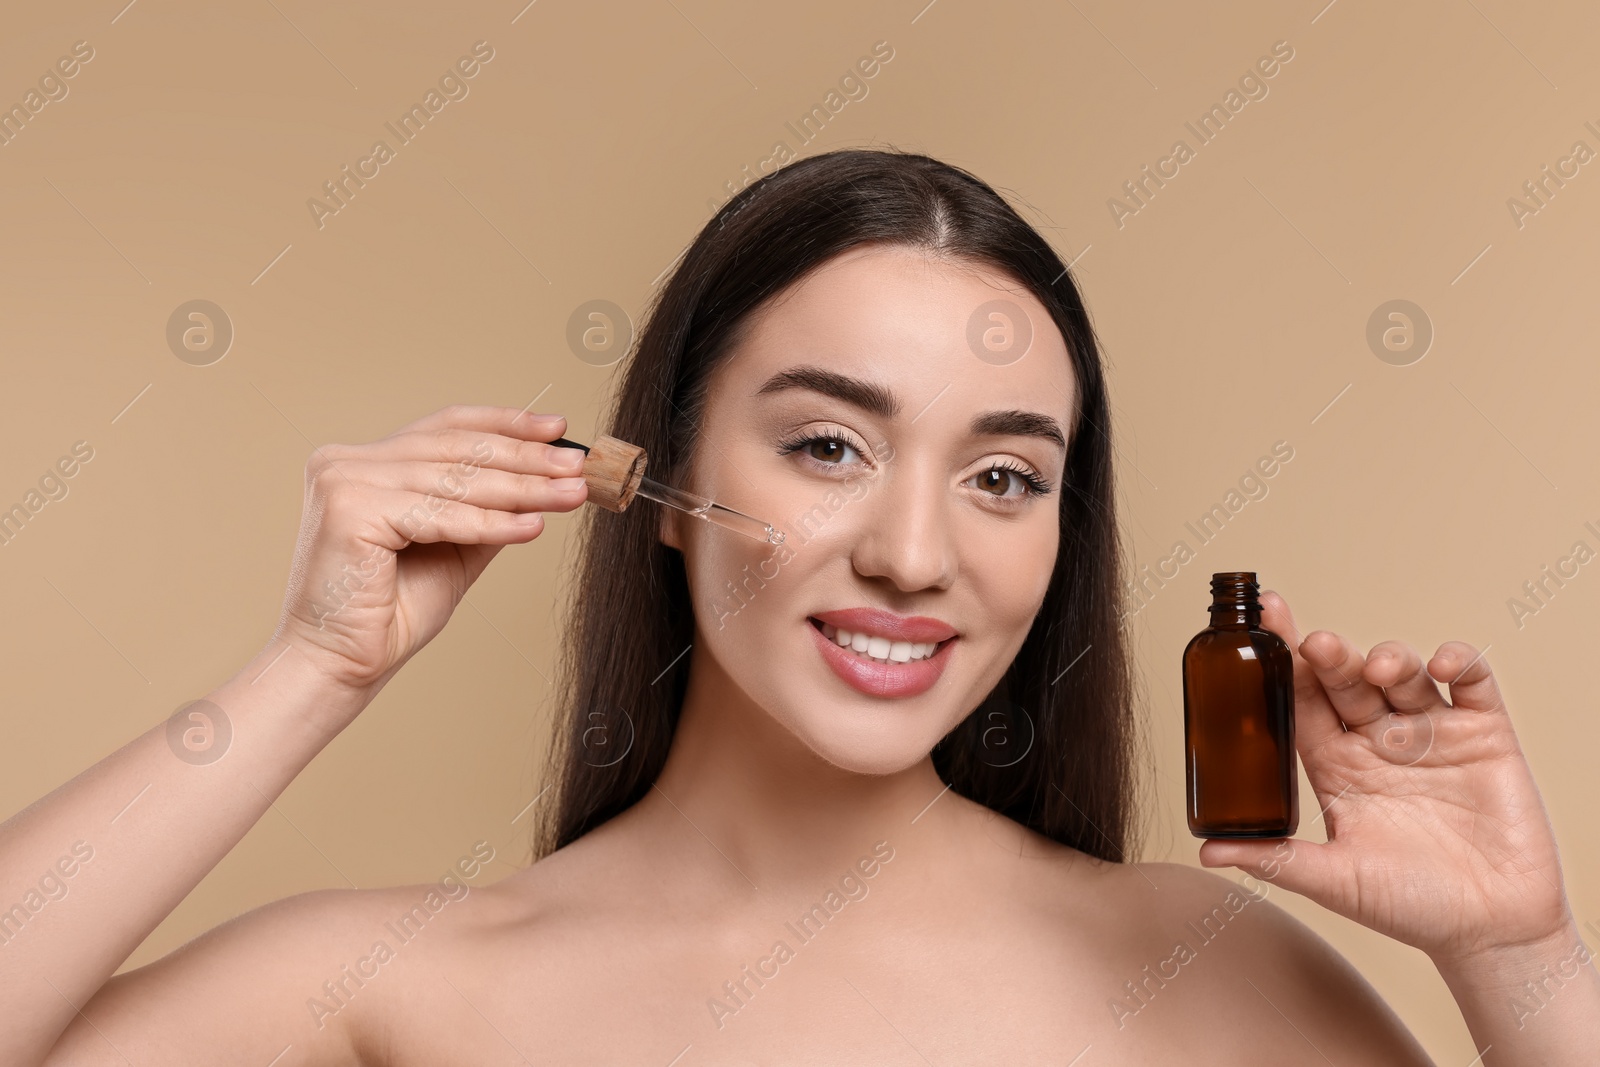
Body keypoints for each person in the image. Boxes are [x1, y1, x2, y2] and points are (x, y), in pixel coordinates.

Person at [3, 148, 1594, 1065]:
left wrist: (1520, 960)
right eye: (829, 444)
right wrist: (312, 670)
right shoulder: (408, 986)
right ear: (661, 472)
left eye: (1003, 478)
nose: (914, 555)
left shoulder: (1202, 968)